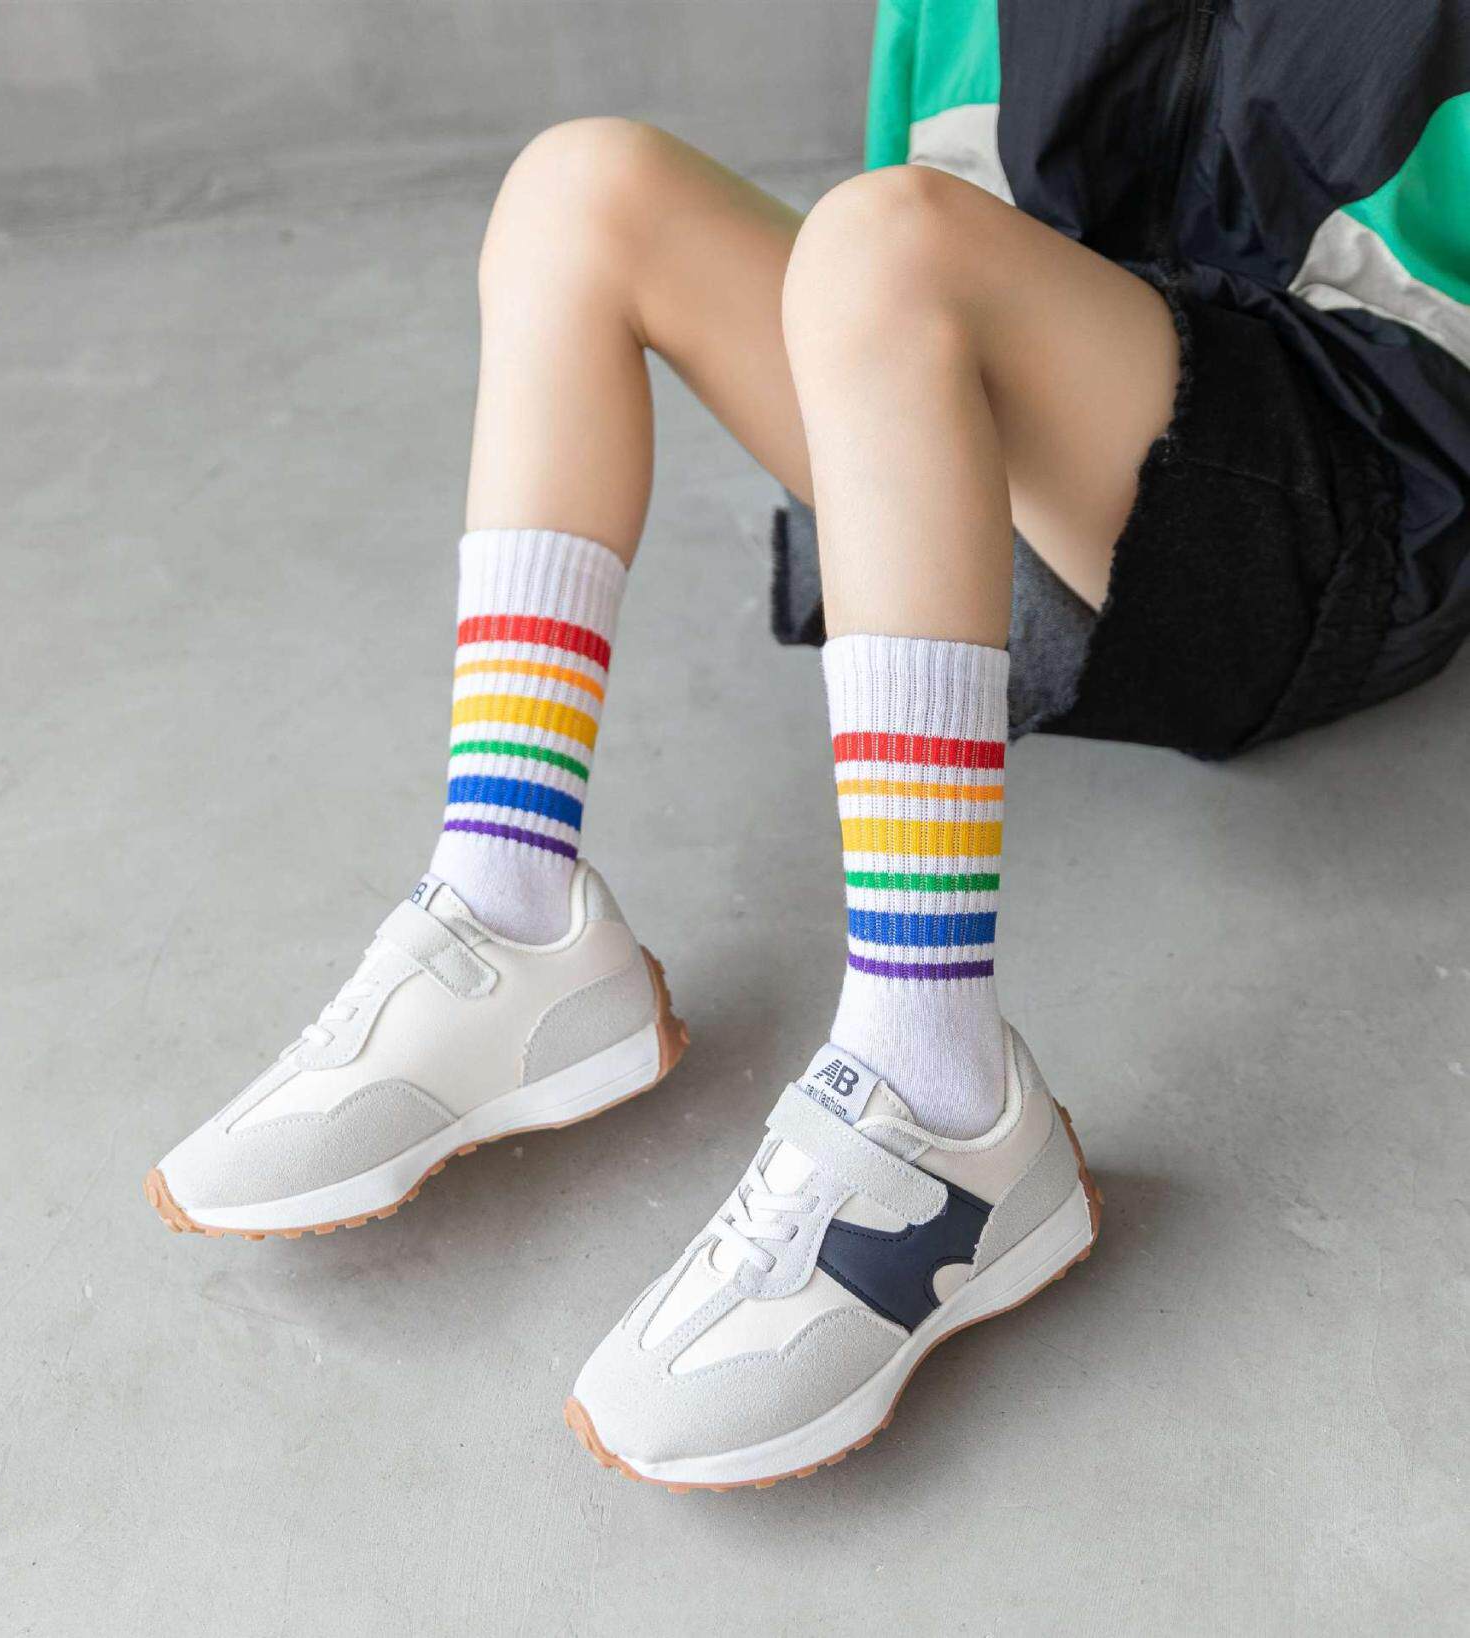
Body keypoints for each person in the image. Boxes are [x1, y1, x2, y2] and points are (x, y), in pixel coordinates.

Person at [144, 2, 1469, 1490]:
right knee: (585, 188)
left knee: (886, 243)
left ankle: (939, 1095)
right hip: (1011, 442)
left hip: (1337, 501)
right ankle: (512, 911)